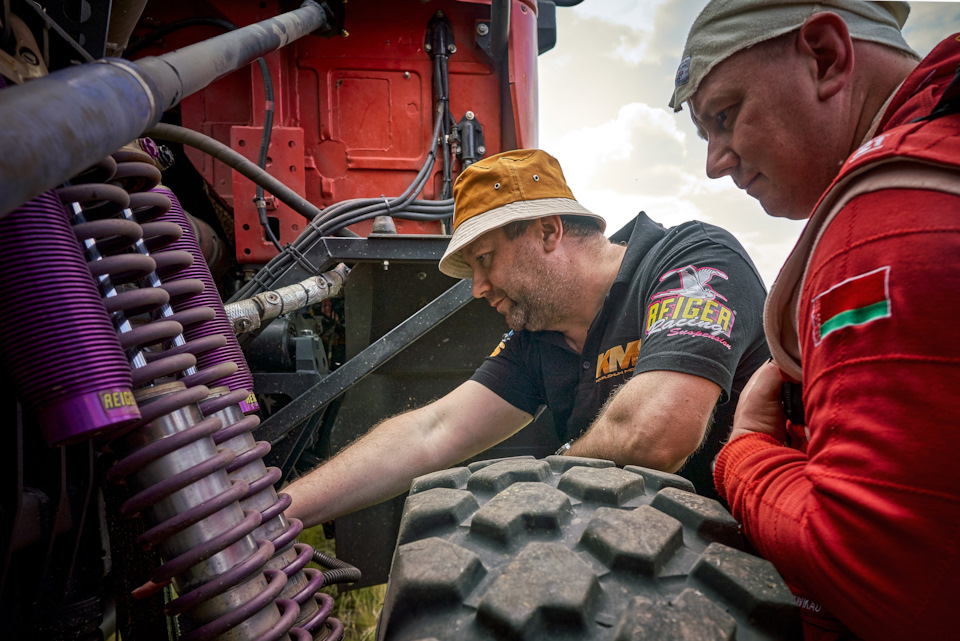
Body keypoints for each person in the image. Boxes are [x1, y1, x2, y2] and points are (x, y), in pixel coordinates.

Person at [670, 1, 960, 639]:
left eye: (725, 115)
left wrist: (744, 451)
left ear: (825, 57)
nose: (715, 162)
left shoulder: (883, 222)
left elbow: (880, 573)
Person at [284, 148, 769, 527]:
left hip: (760, 559)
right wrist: (276, 517)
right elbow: (431, 432)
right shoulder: (538, 339)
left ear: (548, 232)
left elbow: (653, 433)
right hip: (642, 557)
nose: (477, 289)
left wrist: (538, 483)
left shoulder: (690, 261)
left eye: (485, 259)